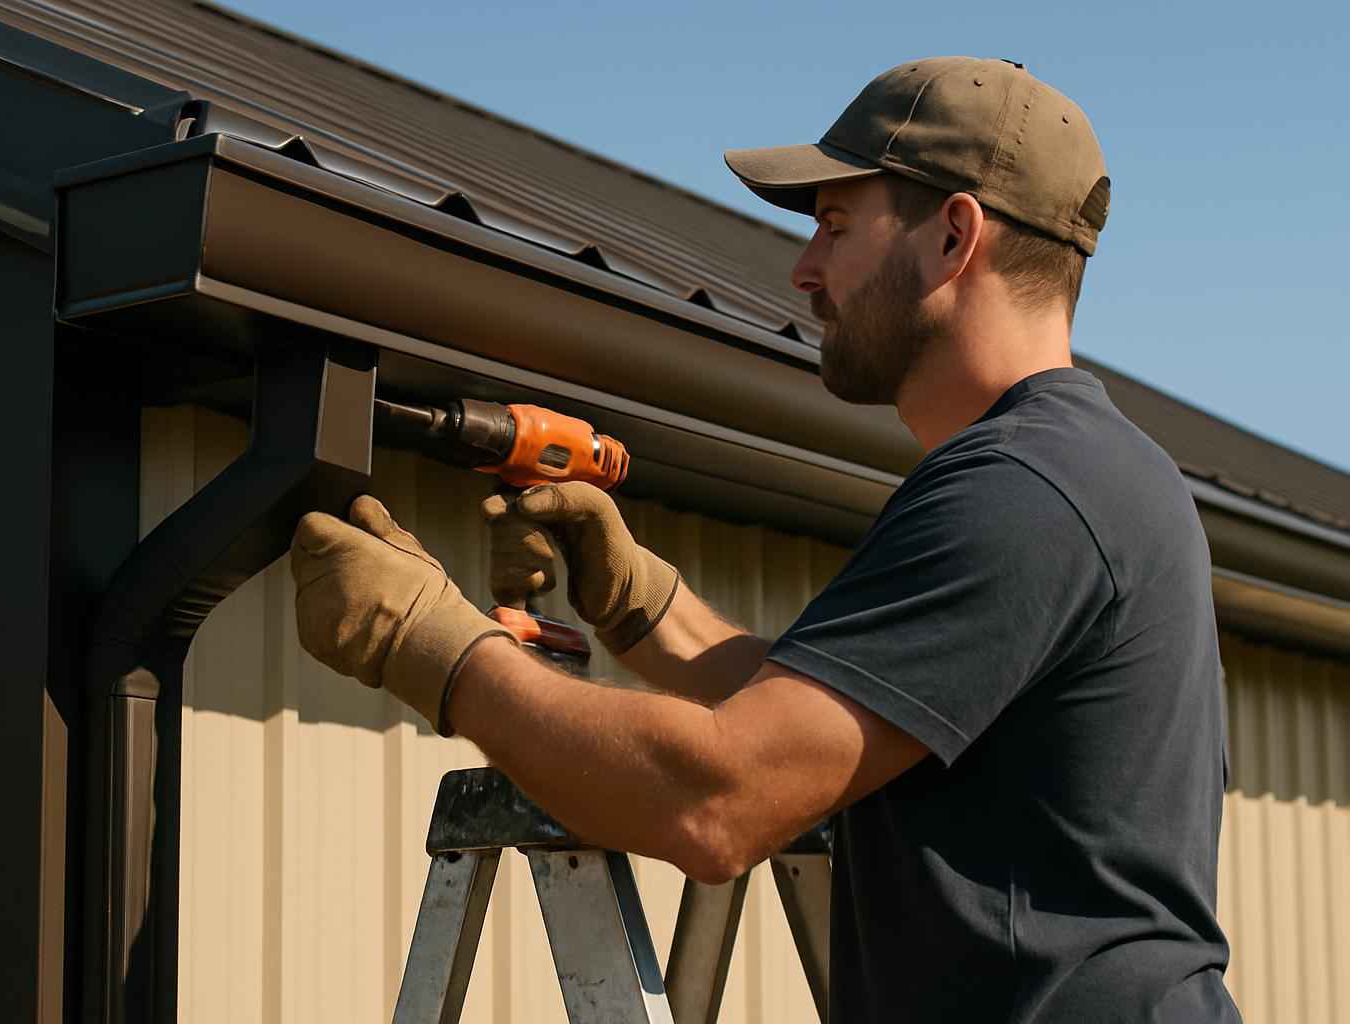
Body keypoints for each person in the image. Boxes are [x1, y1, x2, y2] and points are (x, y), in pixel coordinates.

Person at [290, 57, 1241, 1022]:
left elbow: (720, 797)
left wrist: (429, 645)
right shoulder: (1079, 469)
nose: (803, 269)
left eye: (834, 226)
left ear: (955, 235)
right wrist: (643, 608)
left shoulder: (1026, 491)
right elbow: (833, 714)